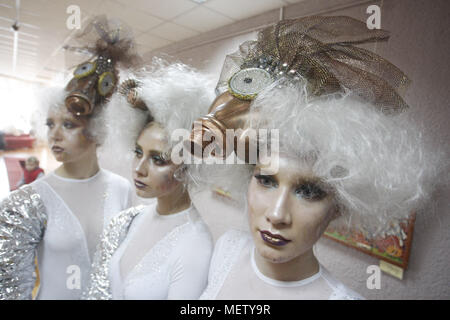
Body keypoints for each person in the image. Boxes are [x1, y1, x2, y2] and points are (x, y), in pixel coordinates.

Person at [185, 16, 443, 300]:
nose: (277, 214)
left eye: (309, 191)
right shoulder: (227, 248)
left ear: (340, 206)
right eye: (266, 180)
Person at [0, 16, 140, 300]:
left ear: (97, 131)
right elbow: (12, 289)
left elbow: (121, 265)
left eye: (68, 125)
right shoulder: (27, 200)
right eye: (50, 124)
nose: (54, 136)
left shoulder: (122, 188)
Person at [83, 60, 215, 300]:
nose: (139, 169)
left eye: (158, 159)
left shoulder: (196, 244)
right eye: (138, 152)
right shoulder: (131, 221)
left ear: (189, 164)